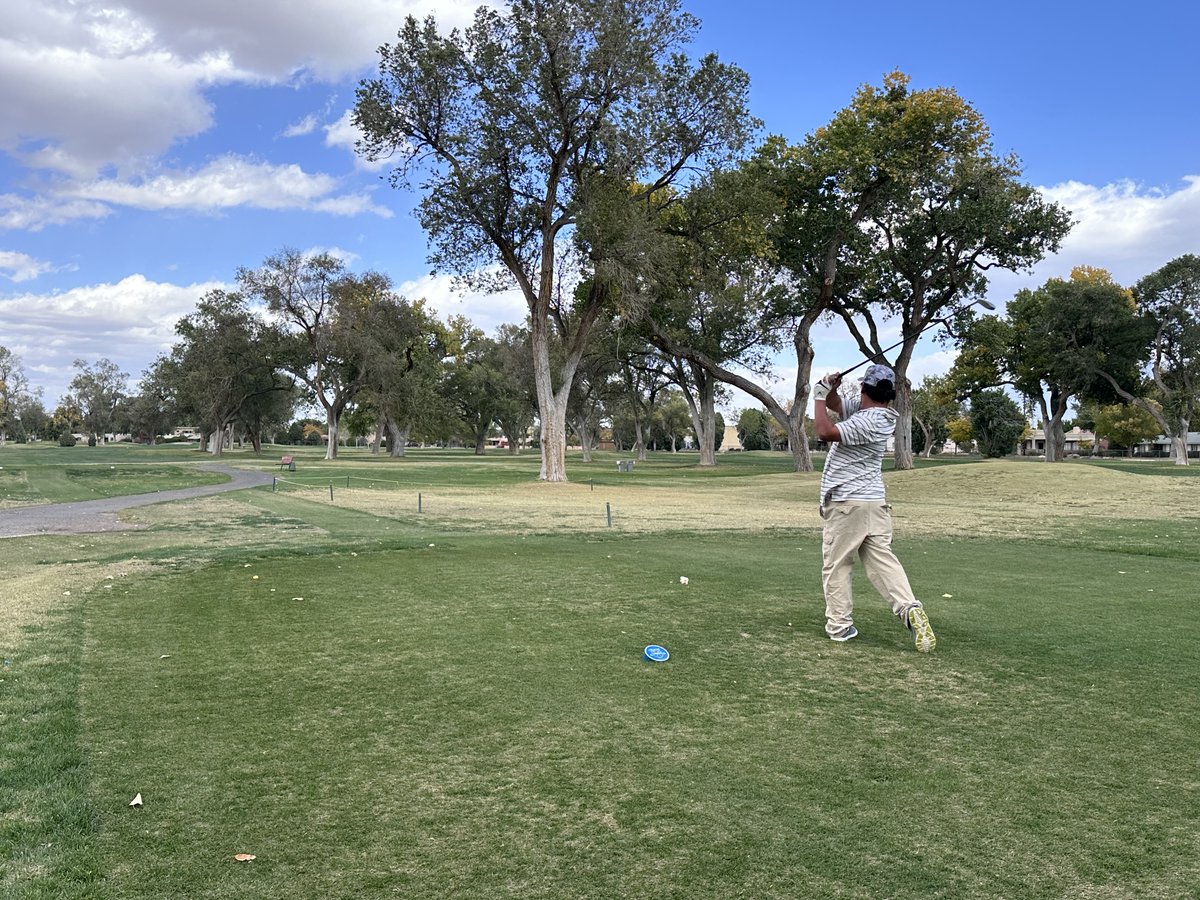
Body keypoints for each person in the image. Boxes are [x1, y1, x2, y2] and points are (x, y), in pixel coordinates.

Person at [812, 364, 935, 651]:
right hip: (873, 505)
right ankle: (910, 608)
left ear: (865, 389)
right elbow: (838, 405)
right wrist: (831, 387)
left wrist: (817, 395)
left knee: (837, 565)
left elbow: (824, 430)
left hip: (846, 505)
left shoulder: (867, 422)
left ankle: (839, 626)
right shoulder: (875, 413)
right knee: (882, 561)